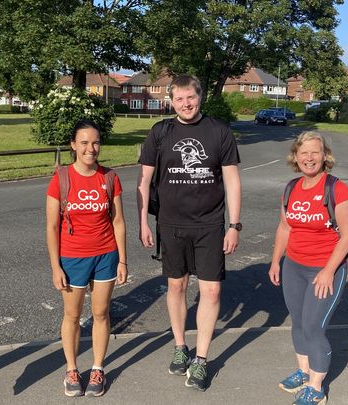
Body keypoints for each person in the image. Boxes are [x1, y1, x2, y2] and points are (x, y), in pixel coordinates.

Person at [137, 74, 242, 391]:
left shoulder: (219, 132)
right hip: (171, 224)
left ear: (200, 97)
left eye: (191, 97)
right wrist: (143, 220)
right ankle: (180, 347)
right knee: (176, 286)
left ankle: (201, 360)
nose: (186, 103)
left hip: (210, 225)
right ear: (171, 101)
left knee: (211, 292)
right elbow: (143, 182)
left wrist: (234, 225)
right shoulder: (160, 132)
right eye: (179, 99)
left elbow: (233, 181)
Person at [269, 132, 348, 405]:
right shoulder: (290, 188)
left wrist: (329, 270)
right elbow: (285, 227)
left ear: (325, 156)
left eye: (315, 152)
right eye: (303, 153)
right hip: (294, 266)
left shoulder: (337, 189)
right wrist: (275, 261)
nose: (309, 158)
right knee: (298, 322)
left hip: (325, 268)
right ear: (295, 156)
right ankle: (303, 372)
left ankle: (316, 388)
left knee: (313, 327)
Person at [46, 119, 127, 397]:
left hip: (106, 254)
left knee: (101, 313)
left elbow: (118, 222)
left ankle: (97, 368)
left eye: (95, 142)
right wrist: (55, 266)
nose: (90, 148)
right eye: (84, 142)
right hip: (72, 257)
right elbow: (52, 226)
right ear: (73, 145)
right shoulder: (62, 178)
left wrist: (123, 260)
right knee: (72, 315)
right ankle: (71, 369)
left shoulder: (109, 177)